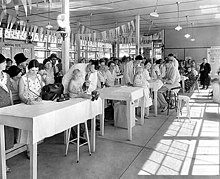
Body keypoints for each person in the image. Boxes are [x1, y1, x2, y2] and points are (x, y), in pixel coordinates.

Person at [0, 53, 14, 172]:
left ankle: (3, 162)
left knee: (5, 135)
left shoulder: (7, 76)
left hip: (7, 107)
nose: (5, 64)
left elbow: (9, 91)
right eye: (3, 62)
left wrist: (12, 104)